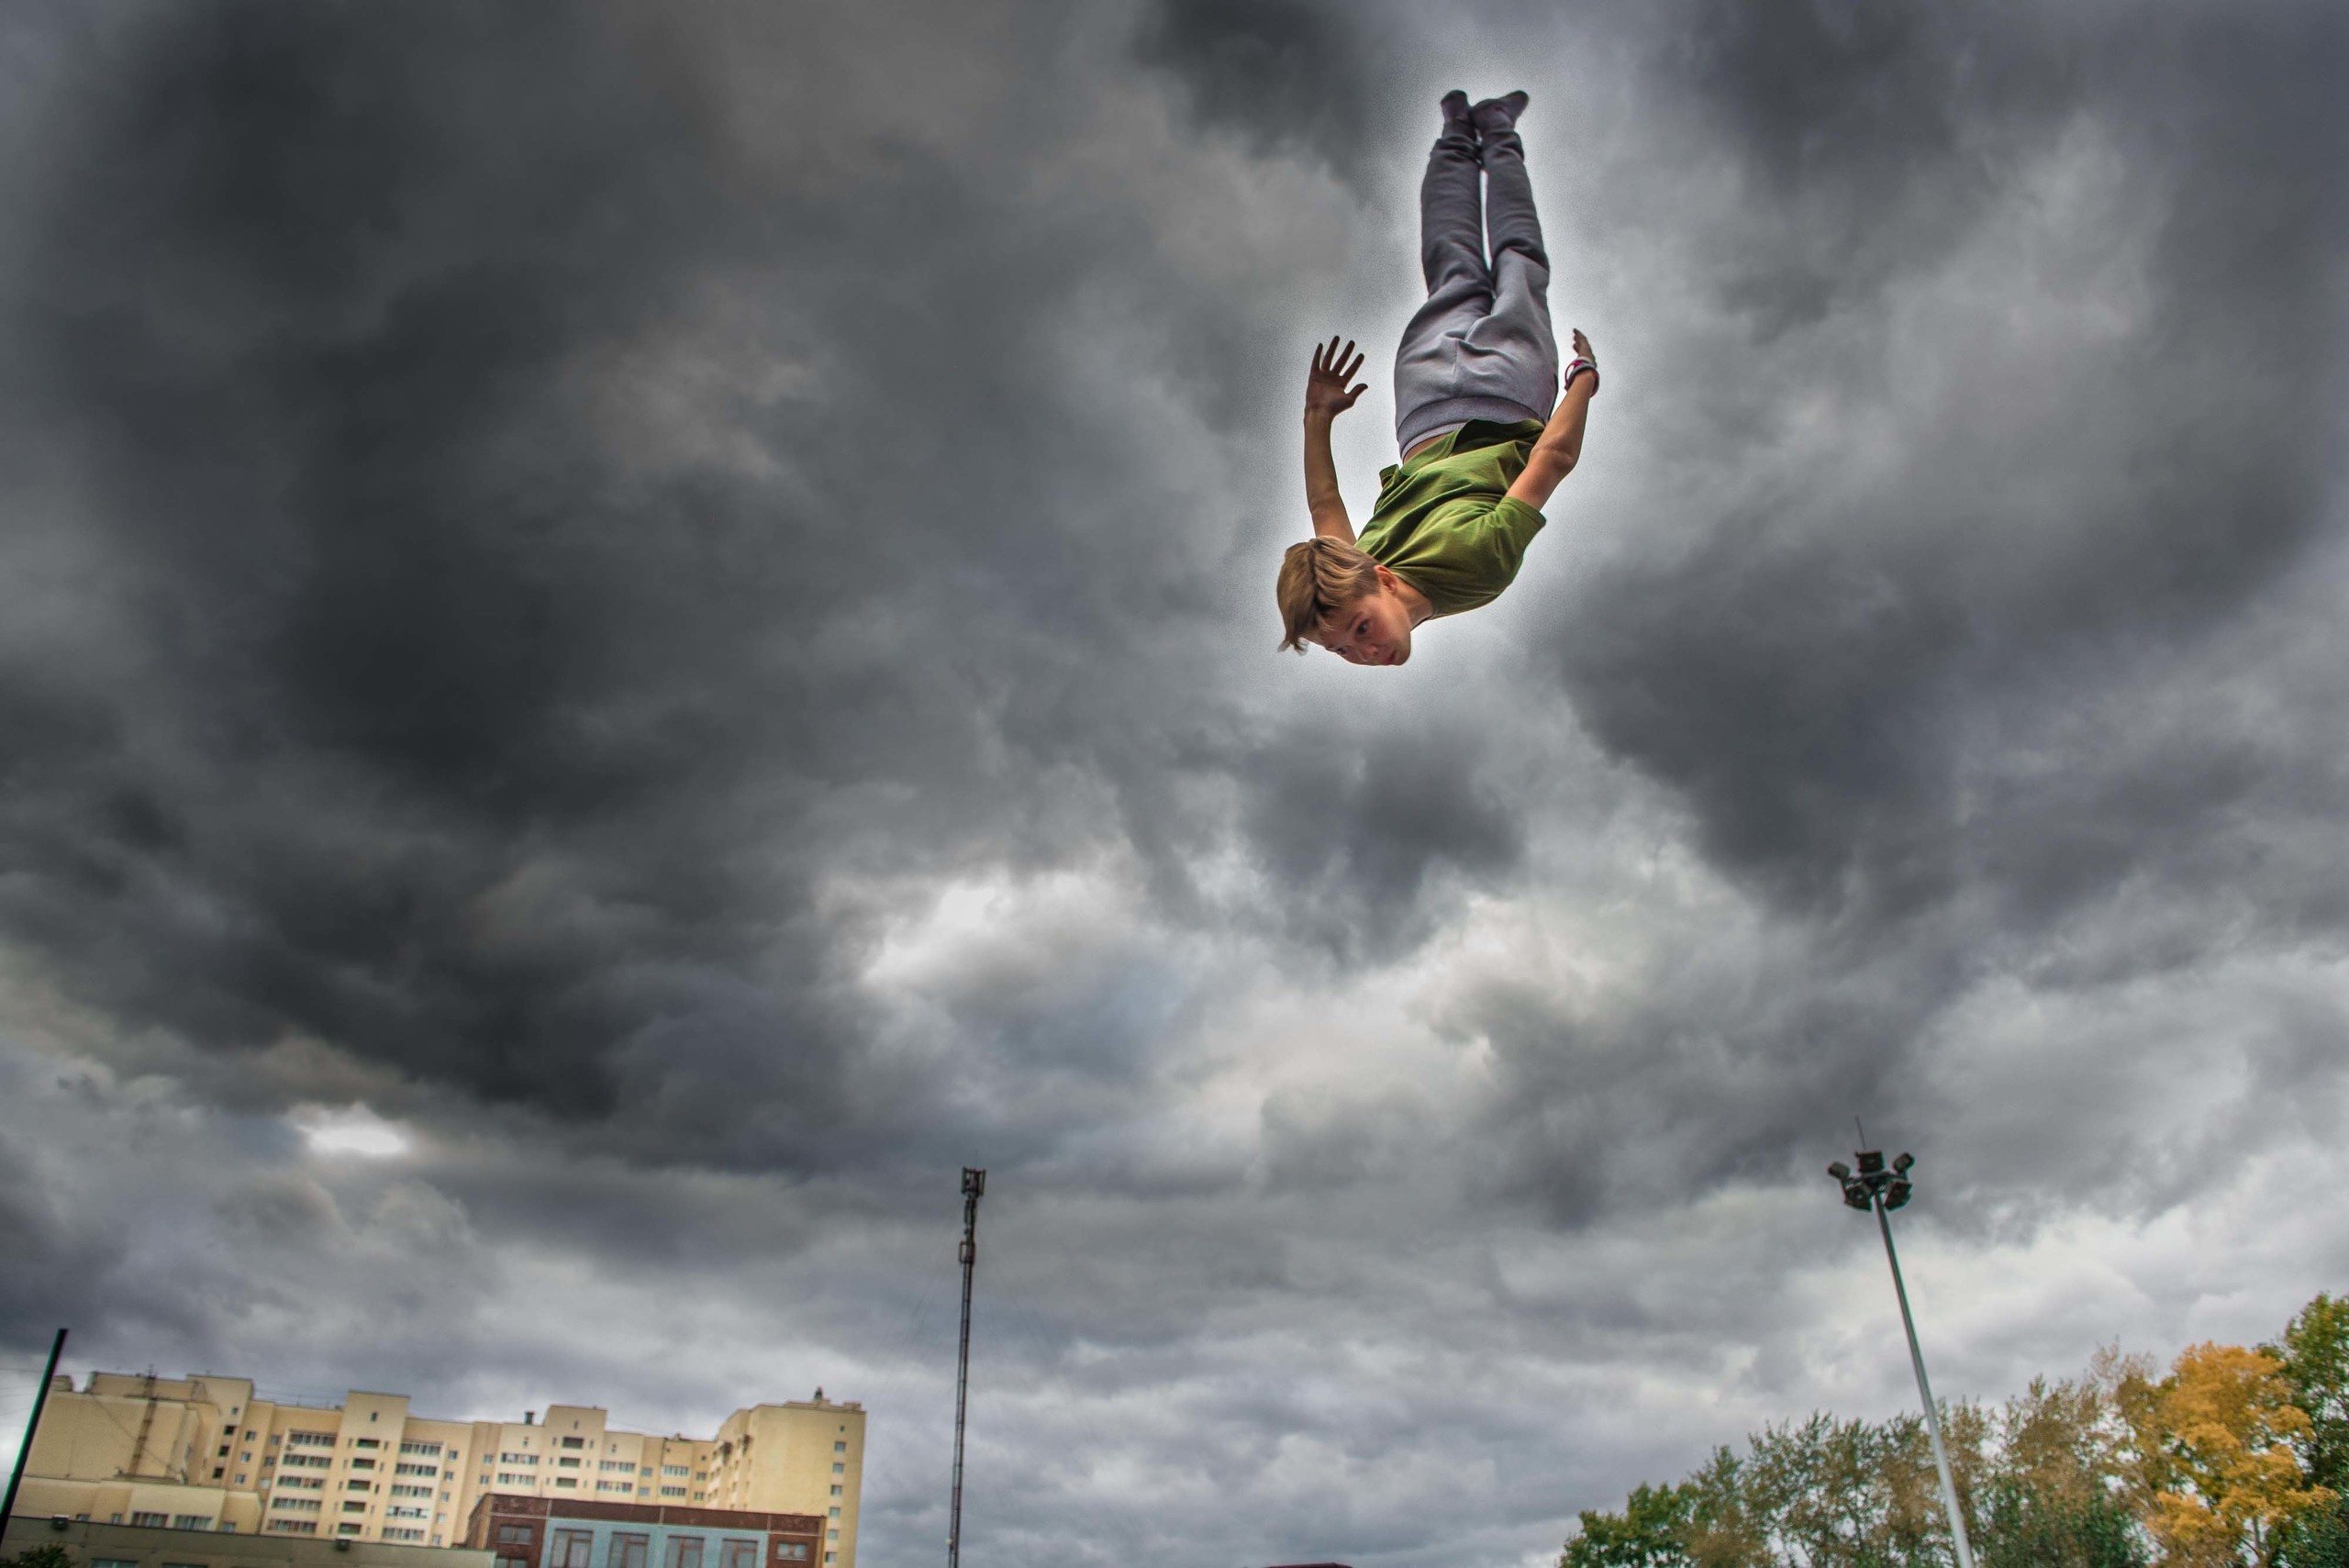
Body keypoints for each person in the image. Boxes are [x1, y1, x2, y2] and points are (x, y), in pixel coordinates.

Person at [1276, 90, 1598, 666]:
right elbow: (1324, 505)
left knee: (1520, 261)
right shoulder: (1360, 566)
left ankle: (1496, 128)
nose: (1363, 652)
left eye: (1360, 629)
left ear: (1384, 582)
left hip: (1507, 392)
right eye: (1342, 649)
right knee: (1451, 264)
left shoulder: (1477, 566)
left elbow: (1553, 459)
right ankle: (1454, 131)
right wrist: (1316, 417)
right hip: (1422, 397)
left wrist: (1582, 380)